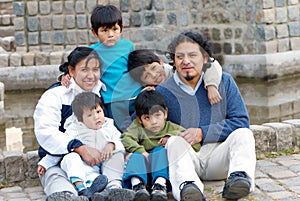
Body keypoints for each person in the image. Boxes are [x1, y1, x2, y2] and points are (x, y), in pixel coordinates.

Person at [155, 31, 256, 201]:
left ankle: (239, 179)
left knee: (244, 134)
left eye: (192, 55)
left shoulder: (224, 82)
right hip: (188, 159)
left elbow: (241, 121)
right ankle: (189, 188)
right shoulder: (163, 91)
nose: (186, 61)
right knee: (173, 142)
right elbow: (143, 123)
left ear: (205, 58)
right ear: (174, 61)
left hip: (219, 156)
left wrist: (202, 132)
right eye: (180, 56)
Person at [33, 47, 133, 201]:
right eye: (84, 70)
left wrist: (112, 145)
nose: (91, 76)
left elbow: (114, 128)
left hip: (99, 157)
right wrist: (79, 148)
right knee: (56, 175)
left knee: (116, 155)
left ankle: (114, 189)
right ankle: (67, 195)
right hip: (61, 156)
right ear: (71, 71)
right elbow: (45, 131)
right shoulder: (56, 95)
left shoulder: (102, 93)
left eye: (95, 69)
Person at [60, 4, 142, 132]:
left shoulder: (128, 46)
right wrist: (66, 75)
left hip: (135, 95)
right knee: (122, 132)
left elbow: (137, 67)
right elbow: (77, 67)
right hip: (112, 100)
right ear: (94, 32)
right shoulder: (93, 52)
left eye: (115, 29)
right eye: (105, 30)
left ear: (121, 28)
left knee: (141, 125)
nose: (111, 34)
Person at [37, 92, 127, 200]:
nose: (96, 117)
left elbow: (120, 140)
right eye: (90, 115)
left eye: (98, 112)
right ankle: (81, 189)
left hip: (97, 169)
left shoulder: (109, 127)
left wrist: (112, 144)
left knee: (116, 156)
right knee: (71, 157)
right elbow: (61, 147)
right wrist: (46, 163)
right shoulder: (75, 131)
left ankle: (108, 190)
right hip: (78, 168)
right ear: (80, 119)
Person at [121, 90, 201, 201]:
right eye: (147, 118)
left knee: (159, 151)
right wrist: (141, 151)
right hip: (142, 167)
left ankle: (160, 186)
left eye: (157, 115)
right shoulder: (137, 127)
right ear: (139, 119)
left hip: (162, 171)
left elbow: (195, 145)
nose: (154, 122)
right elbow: (126, 138)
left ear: (165, 113)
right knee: (135, 155)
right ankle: (137, 187)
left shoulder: (172, 128)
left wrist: (171, 138)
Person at [127, 49, 223, 105]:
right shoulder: (153, 90)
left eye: (154, 67)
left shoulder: (177, 69)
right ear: (143, 83)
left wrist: (211, 86)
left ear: (160, 62)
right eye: (147, 76)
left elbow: (210, 63)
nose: (154, 75)